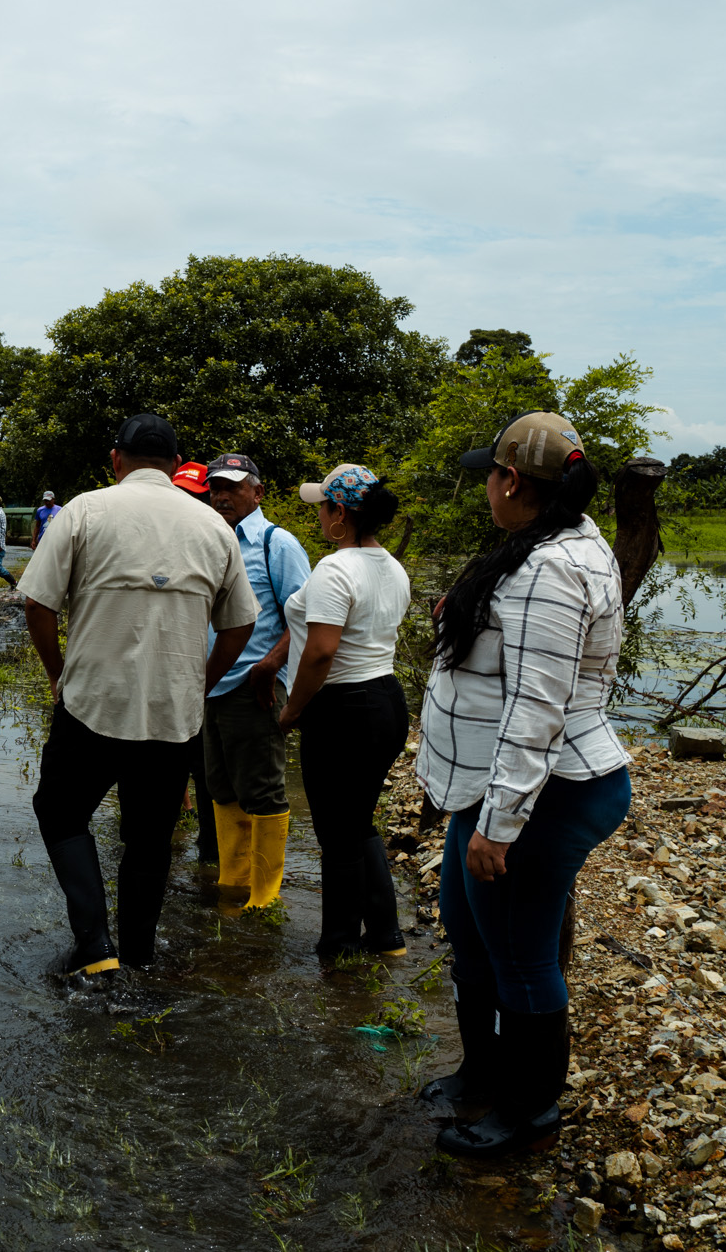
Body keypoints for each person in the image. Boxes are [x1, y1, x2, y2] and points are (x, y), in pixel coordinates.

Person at [413, 412, 628, 1159]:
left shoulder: (550, 570)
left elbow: (537, 707)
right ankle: (483, 1071)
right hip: (489, 785)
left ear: (510, 481)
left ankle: (530, 1110)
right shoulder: (543, 542)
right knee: (469, 930)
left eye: (490, 475)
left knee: (521, 954)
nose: (486, 488)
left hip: (543, 793)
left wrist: (500, 825)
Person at [20, 414, 258, 981]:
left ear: (115, 460)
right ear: (176, 465)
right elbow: (240, 624)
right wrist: (200, 683)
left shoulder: (84, 511)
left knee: (60, 811)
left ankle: (94, 943)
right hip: (172, 713)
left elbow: (37, 603)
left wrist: (57, 673)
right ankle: (139, 959)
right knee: (149, 840)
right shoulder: (213, 526)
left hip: (91, 703)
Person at [276, 465, 413, 960]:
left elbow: (320, 652)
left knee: (337, 833)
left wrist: (293, 709)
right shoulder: (391, 566)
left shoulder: (335, 569)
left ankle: (337, 948)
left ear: (339, 513)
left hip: (343, 710)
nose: (318, 515)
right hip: (386, 702)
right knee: (357, 820)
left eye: (322, 507)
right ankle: (386, 936)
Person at [202, 454, 313, 910]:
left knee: (262, 790)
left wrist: (270, 665)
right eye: (215, 488)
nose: (222, 496)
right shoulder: (208, 539)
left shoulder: (276, 544)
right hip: (209, 686)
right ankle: (233, 883)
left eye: (233, 487)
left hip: (254, 687)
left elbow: (305, 615)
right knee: (221, 787)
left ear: (258, 492)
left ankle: (264, 898)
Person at [169, 460, 218, 863]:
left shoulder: (217, 542)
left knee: (206, 769)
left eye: (195, 496)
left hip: (209, 677)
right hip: (167, 671)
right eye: (180, 494)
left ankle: (210, 851)